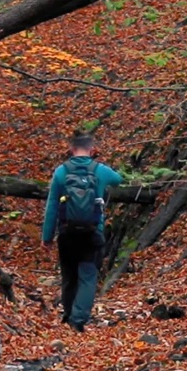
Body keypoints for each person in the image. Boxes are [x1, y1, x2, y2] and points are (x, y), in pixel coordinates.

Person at [41, 131, 123, 332]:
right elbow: (118, 179)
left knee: (69, 275)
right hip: (92, 232)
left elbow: (52, 206)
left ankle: (68, 314)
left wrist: (47, 237)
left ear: (71, 149)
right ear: (92, 149)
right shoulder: (100, 170)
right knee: (88, 275)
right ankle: (78, 320)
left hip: (67, 233)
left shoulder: (61, 171)